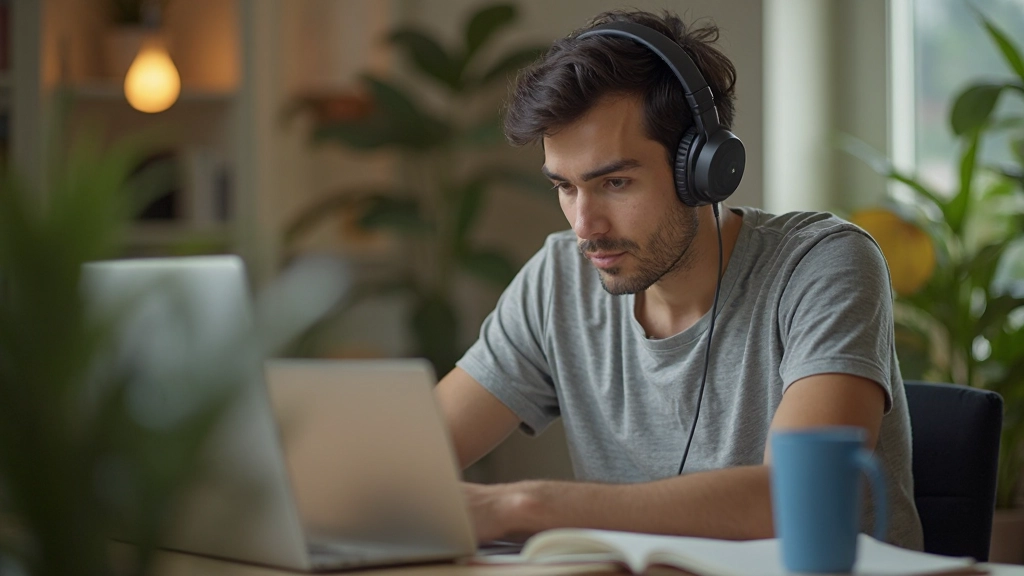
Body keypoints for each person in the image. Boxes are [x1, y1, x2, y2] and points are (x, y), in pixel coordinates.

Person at [434, 9, 924, 550]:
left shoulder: (823, 264)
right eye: (566, 187)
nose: (584, 226)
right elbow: (409, 458)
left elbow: (798, 498)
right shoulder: (557, 280)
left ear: (704, 169)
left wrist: (522, 507)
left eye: (615, 182)